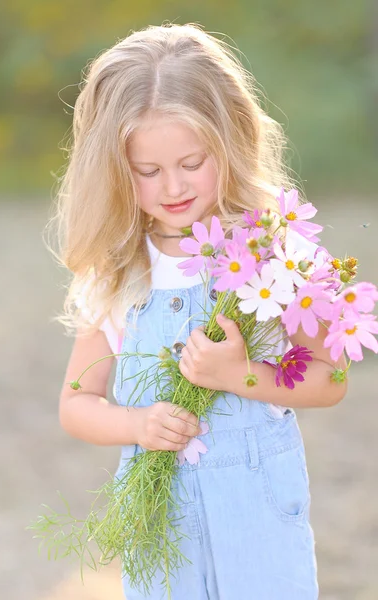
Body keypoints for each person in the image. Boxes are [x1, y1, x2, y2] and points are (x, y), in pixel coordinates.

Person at [50, 23, 348, 599]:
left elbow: (329, 379)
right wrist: (136, 425)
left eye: (192, 161)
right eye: (148, 171)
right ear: (115, 168)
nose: (173, 187)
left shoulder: (275, 250)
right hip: (162, 528)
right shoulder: (119, 271)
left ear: (232, 140)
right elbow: (75, 403)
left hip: (257, 520)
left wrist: (239, 376)